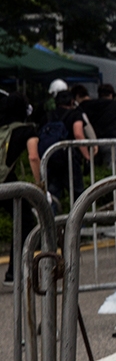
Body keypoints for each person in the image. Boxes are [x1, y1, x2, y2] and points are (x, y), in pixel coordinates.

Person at [0, 92, 42, 285]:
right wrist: (40, 184)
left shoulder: (2, 128)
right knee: (25, 223)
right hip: (6, 183)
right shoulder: (28, 130)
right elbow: (33, 157)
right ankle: (14, 273)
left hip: (7, 180)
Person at [45, 90, 91, 211]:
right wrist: (87, 157)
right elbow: (78, 134)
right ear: (72, 101)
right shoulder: (75, 114)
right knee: (78, 195)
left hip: (51, 158)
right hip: (70, 159)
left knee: (53, 194)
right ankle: (78, 226)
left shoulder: (49, 115)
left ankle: (49, 225)